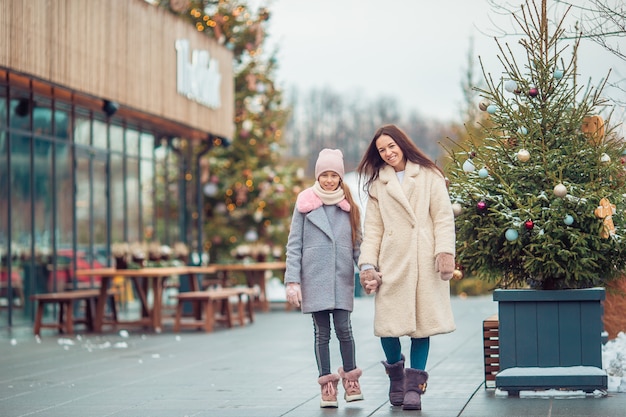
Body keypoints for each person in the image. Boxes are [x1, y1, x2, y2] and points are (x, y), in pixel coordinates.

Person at [356, 124, 456, 411]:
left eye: (391, 146)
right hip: (392, 262)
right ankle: (396, 375)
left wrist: (445, 252)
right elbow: (372, 229)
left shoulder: (429, 175)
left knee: (421, 325)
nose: (387, 153)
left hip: (424, 260)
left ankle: (414, 387)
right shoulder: (378, 185)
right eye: (381, 150)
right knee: (388, 327)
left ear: (402, 143)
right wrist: (367, 264)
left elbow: (443, 217)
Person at [284, 148, 364, 408]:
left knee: (344, 328)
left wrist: (365, 269)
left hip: (340, 278)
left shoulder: (349, 207)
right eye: (324, 175)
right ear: (317, 176)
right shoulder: (305, 205)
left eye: (334, 175)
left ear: (340, 178)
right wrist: (292, 281)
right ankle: (326, 385)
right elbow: (294, 245)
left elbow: (358, 246)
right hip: (315, 278)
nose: (329, 180)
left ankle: (351, 380)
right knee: (322, 333)